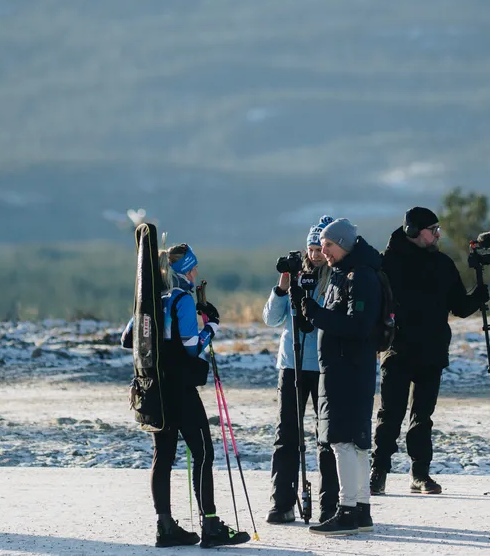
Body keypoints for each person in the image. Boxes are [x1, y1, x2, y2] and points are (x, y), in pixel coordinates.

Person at [121, 244, 250, 548]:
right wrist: (212, 327)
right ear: (184, 271)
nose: (195, 274)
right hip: (181, 389)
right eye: (193, 269)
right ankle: (211, 525)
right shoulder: (181, 299)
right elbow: (192, 346)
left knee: (162, 456)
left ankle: (165, 527)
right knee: (203, 452)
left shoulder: (151, 298)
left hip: (154, 391)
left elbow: (128, 339)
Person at [370, 207, 490, 495]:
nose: (438, 234)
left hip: (432, 351)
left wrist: (479, 292)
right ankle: (378, 471)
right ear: (413, 231)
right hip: (397, 350)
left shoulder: (442, 264)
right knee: (390, 414)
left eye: (438, 229)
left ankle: (420, 473)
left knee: (422, 417)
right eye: (432, 229)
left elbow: (459, 307)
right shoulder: (386, 263)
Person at [301, 218, 381, 536]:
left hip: (347, 370)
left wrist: (317, 314)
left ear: (344, 244)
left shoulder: (360, 276)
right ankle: (361, 509)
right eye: (321, 246)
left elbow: (358, 326)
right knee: (356, 443)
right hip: (346, 368)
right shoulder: (346, 273)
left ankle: (347, 510)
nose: (323, 252)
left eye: (328, 246)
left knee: (343, 442)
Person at [262, 217, 340, 524]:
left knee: (327, 438)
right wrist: (284, 283)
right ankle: (282, 503)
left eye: (320, 248)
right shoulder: (296, 276)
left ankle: (329, 504)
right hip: (292, 365)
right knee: (286, 436)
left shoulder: (334, 277)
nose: (316, 255)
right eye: (311, 248)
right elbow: (271, 318)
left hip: (322, 365)